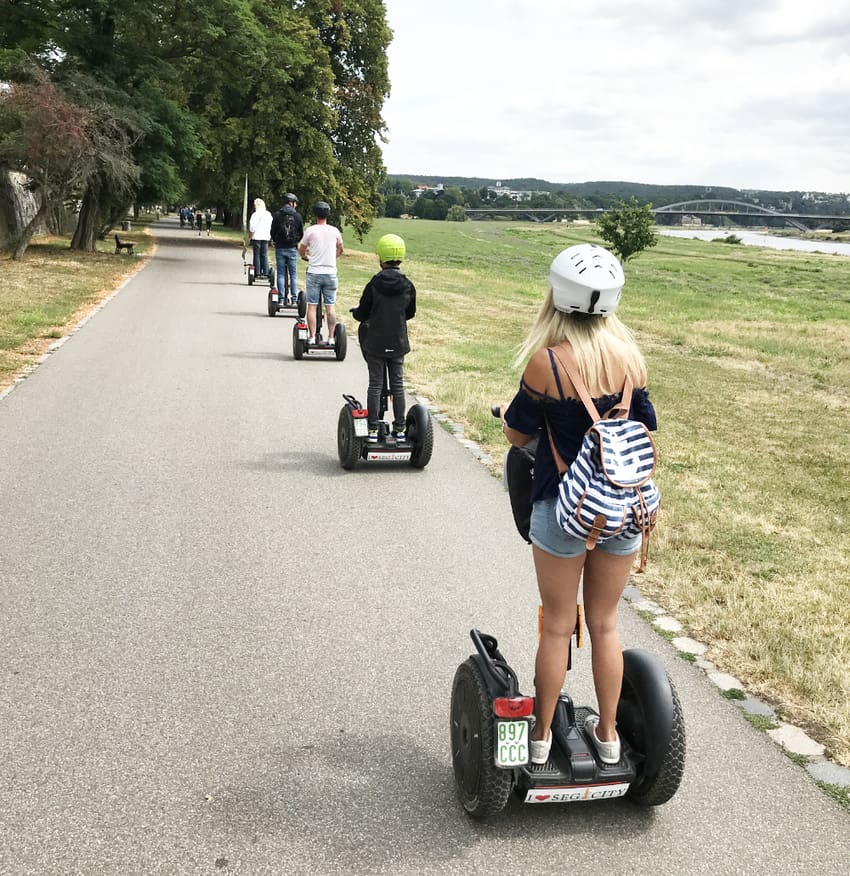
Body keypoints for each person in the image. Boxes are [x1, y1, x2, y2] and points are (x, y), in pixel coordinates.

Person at [501, 243, 657, 767]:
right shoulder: (630, 360)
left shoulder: (547, 363)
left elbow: (518, 432)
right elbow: (645, 425)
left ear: (557, 295)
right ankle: (609, 737)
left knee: (557, 625)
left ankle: (541, 736)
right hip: (621, 509)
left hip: (563, 509)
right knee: (606, 624)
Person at [350, 234, 416, 442]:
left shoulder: (374, 284)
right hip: (397, 342)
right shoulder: (407, 285)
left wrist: (356, 313)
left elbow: (363, 313)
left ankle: (371, 430)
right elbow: (410, 312)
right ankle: (400, 429)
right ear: (401, 256)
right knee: (397, 385)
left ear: (380, 256)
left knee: (375, 384)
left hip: (376, 342)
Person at [298, 201, 343, 344]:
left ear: (315, 214)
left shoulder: (310, 230)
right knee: (330, 307)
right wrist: (332, 258)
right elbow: (341, 248)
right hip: (330, 273)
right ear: (327, 214)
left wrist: (306, 257)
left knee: (312, 306)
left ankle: (312, 337)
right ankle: (331, 337)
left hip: (314, 272)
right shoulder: (335, 231)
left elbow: (301, 248)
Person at [270, 193, 304, 303]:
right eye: (295, 203)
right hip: (292, 248)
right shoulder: (297, 216)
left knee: (280, 274)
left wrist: (275, 240)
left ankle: (281, 299)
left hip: (280, 248)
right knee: (293, 274)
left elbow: (272, 231)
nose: (296, 205)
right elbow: (301, 233)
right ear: (291, 203)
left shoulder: (277, 215)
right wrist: (296, 241)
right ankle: (294, 299)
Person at [249, 197, 273, 277]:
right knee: (264, 254)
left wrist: (250, 236)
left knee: (256, 254)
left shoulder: (255, 214)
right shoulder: (268, 214)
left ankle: (257, 272)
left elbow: (252, 227)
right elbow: (271, 225)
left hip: (257, 237)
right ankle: (266, 272)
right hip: (266, 237)